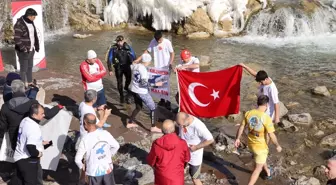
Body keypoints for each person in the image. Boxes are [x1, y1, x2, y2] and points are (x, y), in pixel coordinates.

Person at [0, 79, 61, 152]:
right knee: (49, 143)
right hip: (31, 142)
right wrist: (58, 107)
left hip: (15, 144)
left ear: (12, 91)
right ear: (24, 89)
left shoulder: (5, 107)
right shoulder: (32, 103)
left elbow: (2, 128)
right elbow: (48, 114)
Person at [234, 95, 282, 185]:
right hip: (261, 147)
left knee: (261, 159)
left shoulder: (249, 113)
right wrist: (277, 145)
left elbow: (241, 127)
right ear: (267, 105)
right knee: (257, 169)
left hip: (251, 143)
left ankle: (267, 171)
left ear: (258, 103)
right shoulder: (266, 118)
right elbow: (271, 134)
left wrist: (237, 138)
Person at [13, 103, 53, 185]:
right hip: (27, 160)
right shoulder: (33, 127)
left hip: (19, 157)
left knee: (20, 181)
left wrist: (40, 142)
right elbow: (30, 147)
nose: (44, 115)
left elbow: (26, 137)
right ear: (34, 114)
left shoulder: (25, 120)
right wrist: (39, 153)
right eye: (42, 113)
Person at [75, 113, 120, 185]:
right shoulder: (105, 133)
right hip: (107, 168)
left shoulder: (85, 139)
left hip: (94, 172)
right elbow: (116, 146)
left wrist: (82, 167)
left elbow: (77, 159)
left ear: (85, 123)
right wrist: (108, 155)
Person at [135, 31, 174, 110]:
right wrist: (138, 59)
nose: (158, 42)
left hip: (166, 67)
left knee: (166, 84)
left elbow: (172, 53)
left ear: (162, 37)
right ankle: (162, 100)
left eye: (159, 40)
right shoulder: (153, 42)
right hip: (157, 68)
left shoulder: (167, 42)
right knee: (159, 84)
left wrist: (170, 63)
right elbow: (147, 51)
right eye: (157, 40)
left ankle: (168, 102)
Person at [128, 53, 164, 133]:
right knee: (153, 108)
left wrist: (138, 59)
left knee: (138, 107)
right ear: (148, 61)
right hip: (141, 92)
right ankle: (153, 127)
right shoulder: (143, 70)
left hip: (133, 89)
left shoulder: (135, 65)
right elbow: (144, 84)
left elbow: (132, 63)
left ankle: (130, 123)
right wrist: (156, 84)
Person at [147, 119, 190, 185]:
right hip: (177, 178)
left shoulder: (156, 144)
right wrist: (181, 167)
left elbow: (151, 161)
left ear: (162, 130)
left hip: (162, 178)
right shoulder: (182, 143)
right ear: (174, 129)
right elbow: (187, 159)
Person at [175, 112, 214, 185]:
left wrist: (196, 147)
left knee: (195, 179)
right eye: (180, 125)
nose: (181, 127)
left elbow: (211, 139)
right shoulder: (182, 121)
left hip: (194, 157)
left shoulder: (199, 126)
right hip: (183, 154)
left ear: (187, 119)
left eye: (182, 125)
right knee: (179, 172)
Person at [106, 35, 136, 104]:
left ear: (123, 41)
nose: (120, 43)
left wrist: (136, 66)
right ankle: (121, 95)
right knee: (119, 82)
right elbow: (109, 59)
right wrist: (110, 70)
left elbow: (134, 56)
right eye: (118, 41)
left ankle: (126, 87)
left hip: (127, 66)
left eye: (121, 41)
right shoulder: (113, 49)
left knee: (128, 80)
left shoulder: (128, 47)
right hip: (118, 67)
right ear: (116, 41)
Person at [14, 8, 39, 86]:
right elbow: (17, 38)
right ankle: (22, 85)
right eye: (33, 17)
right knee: (23, 69)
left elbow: (34, 35)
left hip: (31, 49)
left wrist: (36, 46)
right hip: (23, 51)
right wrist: (23, 49)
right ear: (29, 16)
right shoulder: (19, 24)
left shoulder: (31, 22)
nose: (34, 18)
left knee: (30, 67)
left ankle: (30, 82)